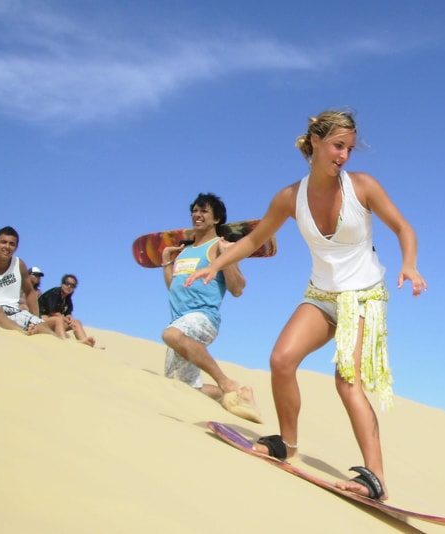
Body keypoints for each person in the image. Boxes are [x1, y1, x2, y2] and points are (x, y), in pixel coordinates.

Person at [186, 110, 427, 500]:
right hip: (320, 294)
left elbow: (403, 227)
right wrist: (214, 265)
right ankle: (288, 444)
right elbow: (253, 240)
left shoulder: (362, 187)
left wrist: (410, 264)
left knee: (347, 383)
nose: (344, 155)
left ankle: (376, 478)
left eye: (349, 148)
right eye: (337, 146)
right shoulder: (289, 197)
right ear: (314, 141)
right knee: (281, 360)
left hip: (362, 295)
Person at [161, 192, 262, 423]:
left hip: (202, 317)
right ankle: (237, 394)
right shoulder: (184, 251)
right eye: (195, 210)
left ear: (216, 219)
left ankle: (226, 383)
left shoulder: (219, 246)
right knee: (179, 385)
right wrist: (167, 261)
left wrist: (227, 259)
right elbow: (174, 287)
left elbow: (237, 289)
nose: (197, 215)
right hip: (180, 319)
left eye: (204, 211)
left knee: (170, 335)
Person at [0, 226, 58, 337]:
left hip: (13, 311)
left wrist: (35, 317)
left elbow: (29, 292)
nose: (7, 246)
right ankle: (22, 334)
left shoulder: (19, 264)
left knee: (43, 327)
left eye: (12, 244)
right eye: (3, 242)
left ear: (16, 247)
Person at [38, 274, 100, 348]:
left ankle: (85, 342)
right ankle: (64, 341)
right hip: (41, 321)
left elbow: (68, 312)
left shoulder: (67, 298)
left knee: (76, 322)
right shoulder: (55, 293)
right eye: (67, 283)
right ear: (62, 283)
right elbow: (53, 312)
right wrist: (65, 319)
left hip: (56, 323)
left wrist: (69, 318)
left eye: (72, 285)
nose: (69, 286)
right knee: (59, 319)